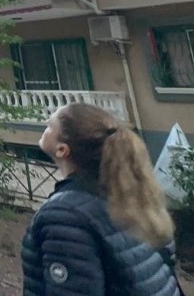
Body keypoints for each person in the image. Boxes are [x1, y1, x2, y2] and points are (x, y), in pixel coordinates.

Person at [22, 103, 182, 296]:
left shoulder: (66, 215)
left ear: (62, 149)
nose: (46, 122)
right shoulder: (132, 197)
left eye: (50, 125)